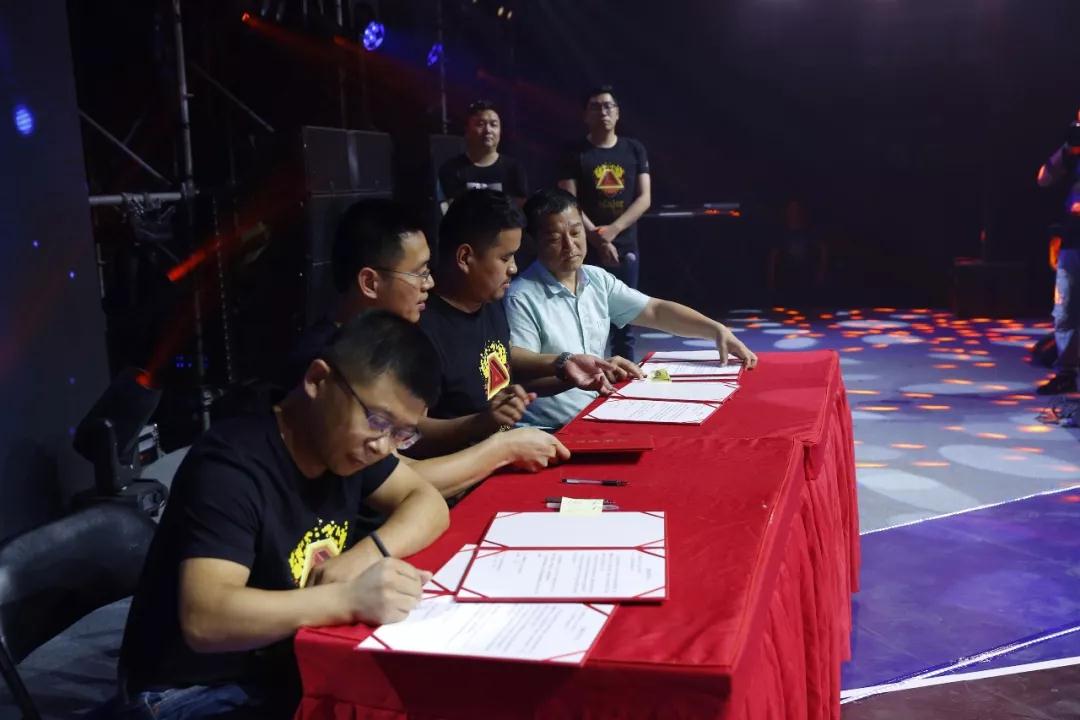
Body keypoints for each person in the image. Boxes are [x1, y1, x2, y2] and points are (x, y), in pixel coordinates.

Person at [118, 311, 449, 719]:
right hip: (192, 690)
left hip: (278, 661)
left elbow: (428, 502)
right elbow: (205, 618)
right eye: (377, 420)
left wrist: (363, 556)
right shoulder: (232, 465)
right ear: (317, 380)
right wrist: (348, 599)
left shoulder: (349, 449)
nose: (383, 446)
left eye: (401, 433)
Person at [283, 198, 569, 497]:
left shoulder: (376, 342)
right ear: (370, 282)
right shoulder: (327, 360)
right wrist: (501, 448)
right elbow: (401, 481)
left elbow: (402, 476)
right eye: (419, 273)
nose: (429, 284)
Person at [507, 188, 759, 430]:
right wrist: (581, 372)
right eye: (554, 239)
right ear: (530, 242)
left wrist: (715, 330)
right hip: (548, 429)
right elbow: (519, 376)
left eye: (575, 232)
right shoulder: (520, 297)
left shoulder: (596, 279)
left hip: (596, 411)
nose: (570, 246)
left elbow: (655, 311)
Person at [414, 189, 621, 456]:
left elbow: (499, 384)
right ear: (465, 258)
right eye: (505, 258)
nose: (513, 268)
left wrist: (570, 371)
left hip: (506, 456)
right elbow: (410, 437)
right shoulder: (422, 329)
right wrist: (481, 424)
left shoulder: (489, 303)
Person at [558, 85, 651, 361]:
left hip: (625, 245)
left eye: (608, 106)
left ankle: (625, 375)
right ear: (585, 114)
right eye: (596, 107)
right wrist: (597, 239)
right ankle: (586, 374)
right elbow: (568, 201)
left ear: (618, 112)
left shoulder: (633, 149)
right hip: (584, 246)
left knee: (624, 321)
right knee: (585, 317)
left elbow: (644, 198)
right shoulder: (574, 152)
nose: (603, 112)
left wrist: (613, 231)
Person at [1036, 112, 1080, 395]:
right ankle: (1066, 373)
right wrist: (1067, 150)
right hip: (1073, 239)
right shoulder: (1073, 154)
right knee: (1065, 310)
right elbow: (1043, 179)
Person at [438, 100, 528, 214]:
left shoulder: (513, 169)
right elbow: (449, 213)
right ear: (467, 130)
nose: (488, 130)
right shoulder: (451, 169)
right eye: (480, 124)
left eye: (493, 125)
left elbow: (519, 214)